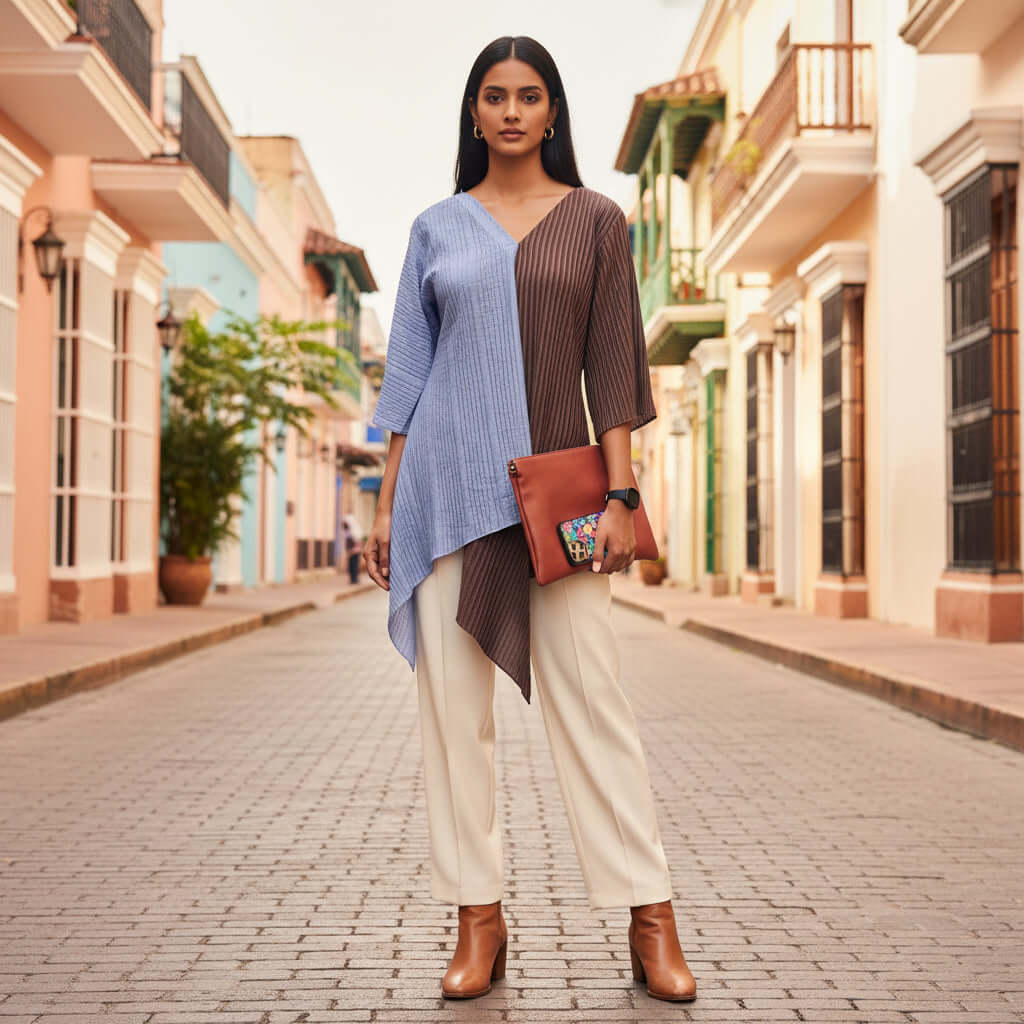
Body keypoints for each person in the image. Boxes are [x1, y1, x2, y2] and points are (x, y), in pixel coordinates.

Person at [362, 35, 697, 1004]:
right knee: (451, 722)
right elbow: (408, 376)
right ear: (474, 114)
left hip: (559, 503)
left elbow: (615, 370)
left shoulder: (596, 220)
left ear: (553, 114)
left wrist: (625, 496)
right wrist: (387, 504)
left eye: (530, 96)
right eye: (494, 96)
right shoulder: (435, 227)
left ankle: (649, 911)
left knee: (594, 707)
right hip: (442, 494)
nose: (511, 111)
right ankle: (477, 915)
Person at [342, 515, 362, 584]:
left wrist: (355, 549)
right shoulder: (347, 531)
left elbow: (358, 541)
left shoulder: (354, 531)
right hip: (350, 551)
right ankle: (352, 579)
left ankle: (355, 579)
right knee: (351, 566)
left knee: (354, 565)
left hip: (355, 551)